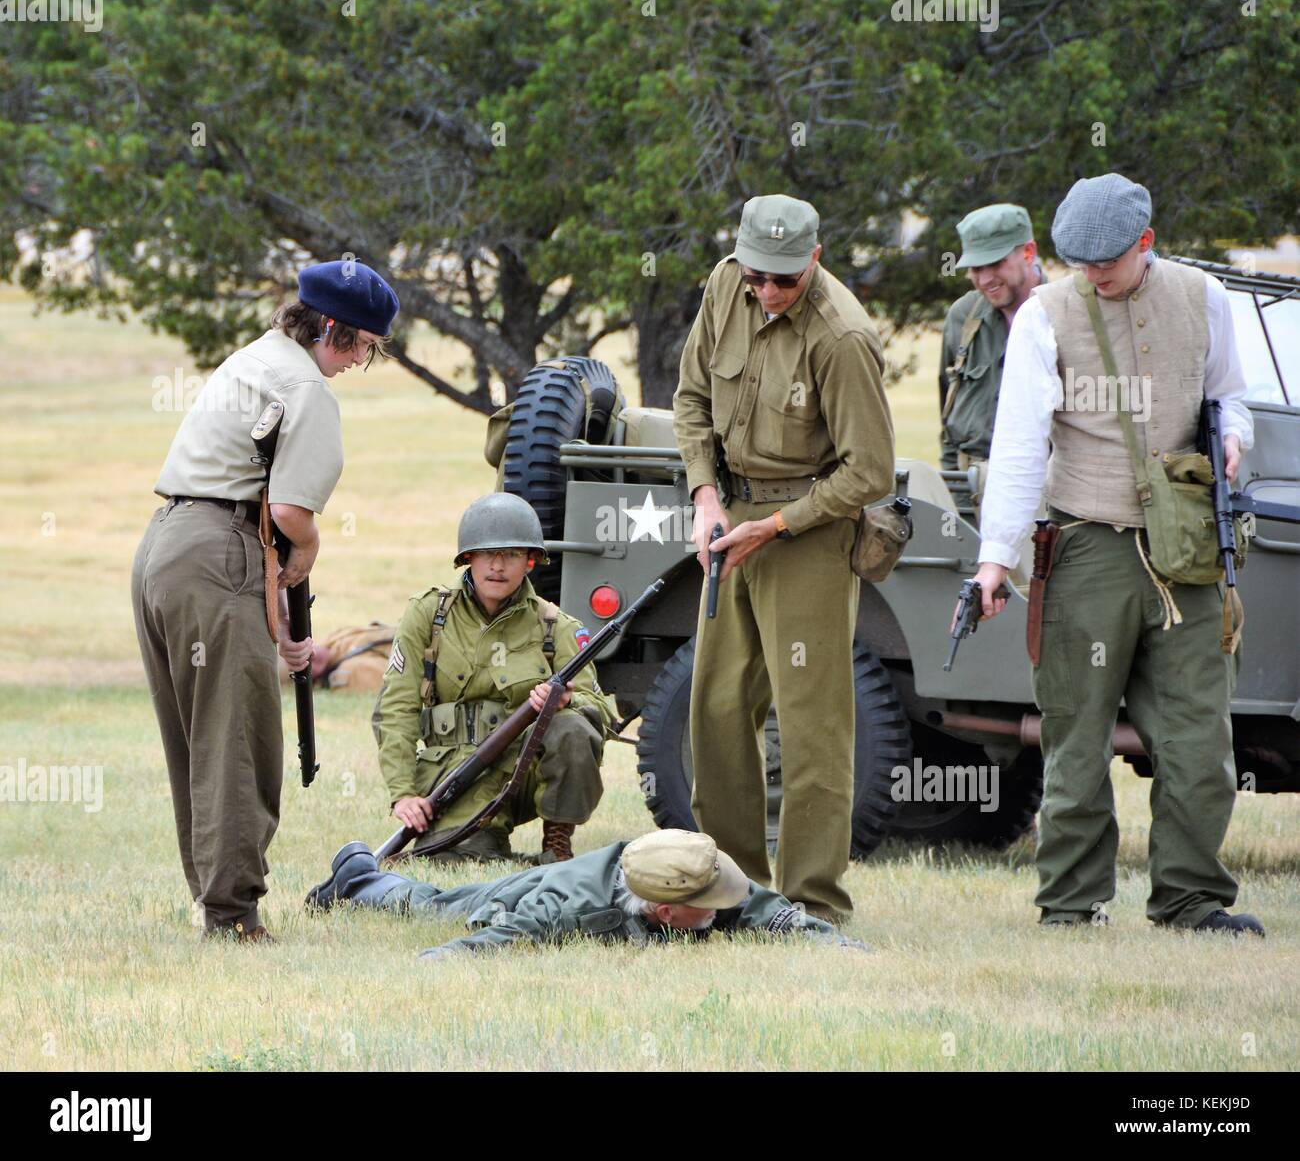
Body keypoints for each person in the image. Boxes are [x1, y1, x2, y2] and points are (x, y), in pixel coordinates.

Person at [971, 173, 1263, 936]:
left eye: (1108, 259)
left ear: (1147, 242)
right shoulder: (1044, 313)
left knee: (1201, 740)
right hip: (1085, 544)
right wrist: (995, 558)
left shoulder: (1205, 298)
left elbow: (1231, 392)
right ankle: (1070, 904)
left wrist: (1233, 438)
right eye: (1078, 260)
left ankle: (1191, 899)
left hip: (1186, 548)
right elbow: (1019, 444)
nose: (1092, 273)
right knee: (1075, 736)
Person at [132, 258, 400, 942]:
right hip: (216, 551)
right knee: (238, 737)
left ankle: (215, 898)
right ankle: (232, 917)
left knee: (195, 737)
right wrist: (309, 548)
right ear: (335, 330)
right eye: (364, 346)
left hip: (168, 544)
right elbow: (284, 512)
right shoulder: (307, 387)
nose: (358, 361)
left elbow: (252, 513)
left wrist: (279, 622)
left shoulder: (254, 359)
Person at [672, 193, 895, 924]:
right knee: (716, 709)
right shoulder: (722, 286)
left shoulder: (843, 337)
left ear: (815, 261)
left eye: (784, 280)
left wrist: (772, 526)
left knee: (811, 728)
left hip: (809, 531)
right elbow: (692, 398)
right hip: (729, 519)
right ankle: (729, 891)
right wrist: (706, 496)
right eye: (756, 276)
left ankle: (811, 906)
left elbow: (869, 474)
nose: (767, 291)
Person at [372, 493, 618, 864]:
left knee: (574, 728)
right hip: (455, 771)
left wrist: (569, 702)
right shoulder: (428, 615)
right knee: (462, 858)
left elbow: (603, 711)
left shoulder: (557, 627)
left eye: (513, 555)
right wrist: (404, 793)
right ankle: (507, 855)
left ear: (531, 562)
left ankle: (557, 844)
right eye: (488, 554)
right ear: (468, 558)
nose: (498, 566)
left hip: (525, 771)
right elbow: (396, 708)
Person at [305, 828, 868, 957]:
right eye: (713, 899)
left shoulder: (692, 879)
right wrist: (435, 960)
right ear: (668, 912)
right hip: (531, 891)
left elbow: (776, 917)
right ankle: (361, 875)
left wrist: (838, 947)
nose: (730, 902)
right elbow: (501, 940)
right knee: (439, 906)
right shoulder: (573, 911)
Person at [938, 203, 1043, 516]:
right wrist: (951, 496)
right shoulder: (962, 317)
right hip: (968, 494)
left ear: (1028, 252)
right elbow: (948, 417)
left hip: (1043, 494)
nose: (984, 279)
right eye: (975, 268)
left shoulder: (1065, 313)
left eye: (994, 264)